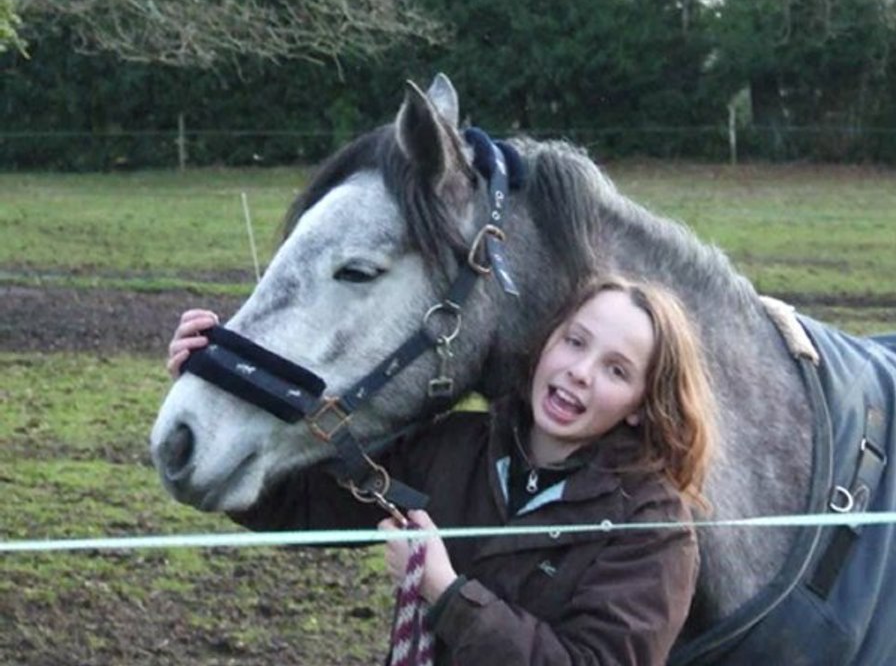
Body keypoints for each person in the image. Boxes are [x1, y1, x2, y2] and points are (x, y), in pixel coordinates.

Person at [168, 275, 715, 665]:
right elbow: (304, 504)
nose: (580, 372)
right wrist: (223, 396)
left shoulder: (652, 528)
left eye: (616, 370)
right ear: (548, 341)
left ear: (643, 402)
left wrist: (447, 593)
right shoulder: (455, 448)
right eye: (575, 341)